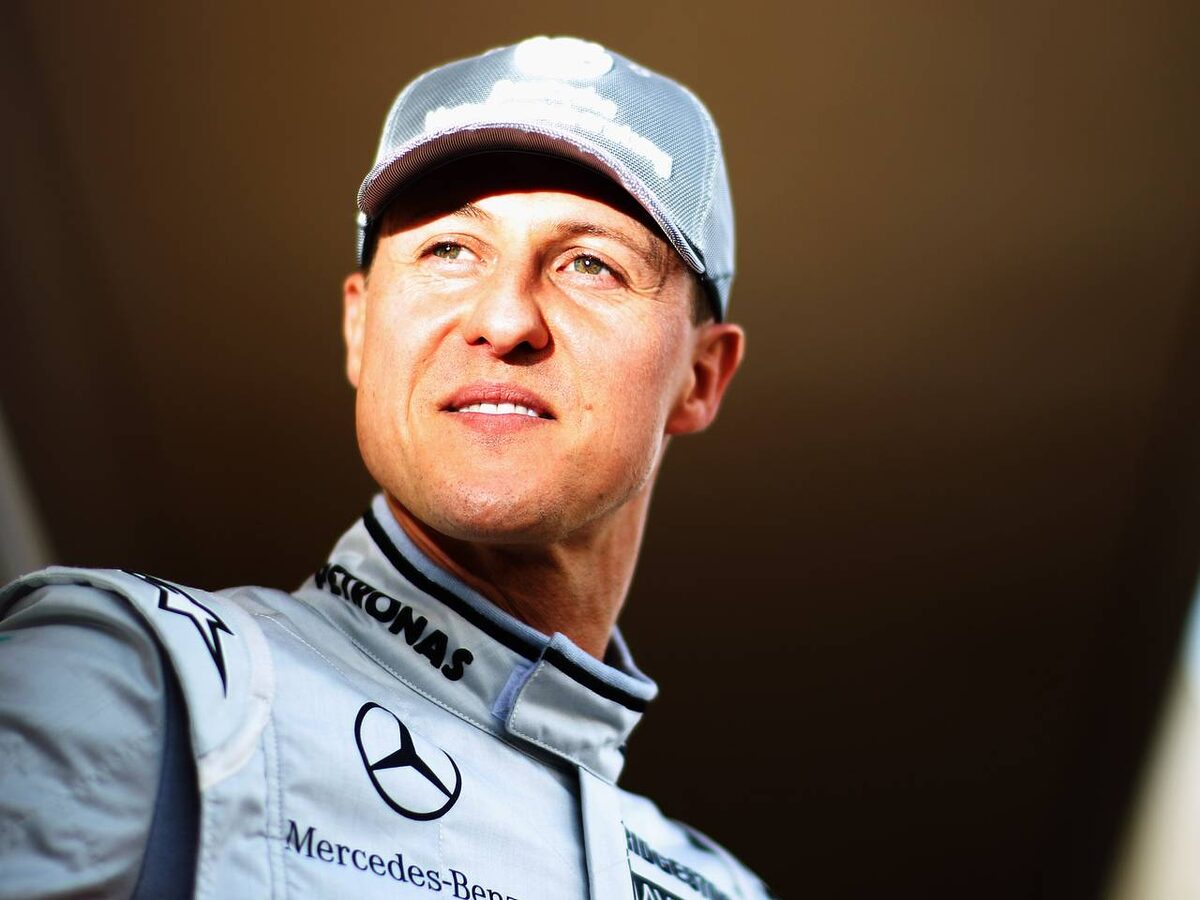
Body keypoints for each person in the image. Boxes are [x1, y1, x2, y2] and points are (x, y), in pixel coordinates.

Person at [0, 36, 772, 899]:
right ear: (359, 327)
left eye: (590, 264)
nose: (505, 319)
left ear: (701, 377)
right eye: (448, 250)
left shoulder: (723, 889)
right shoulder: (130, 674)